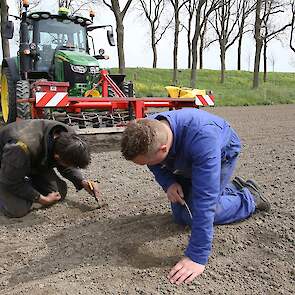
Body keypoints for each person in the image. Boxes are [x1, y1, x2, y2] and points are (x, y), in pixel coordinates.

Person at [121, 108, 270, 285]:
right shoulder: (149, 131)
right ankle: (229, 189)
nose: (146, 166)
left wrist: (197, 256)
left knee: (198, 213)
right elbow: (153, 164)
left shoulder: (203, 140)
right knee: (180, 214)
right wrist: (168, 183)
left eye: (146, 163)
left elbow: (204, 201)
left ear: (163, 149)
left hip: (221, 156)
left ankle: (250, 198)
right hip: (185, 157)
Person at [0, 119, 99, 218]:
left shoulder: (69, 137)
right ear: (56, 157)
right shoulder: (20, 147)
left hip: (31, 162)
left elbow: (67, 163)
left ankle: (24, 183)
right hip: (6, 165)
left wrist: (82, 181)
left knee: (59, 192)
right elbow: (11, 181)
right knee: (17, 210)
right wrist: (41, 199)